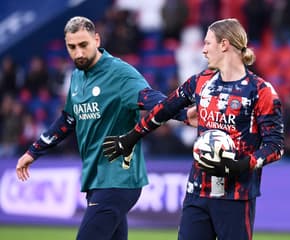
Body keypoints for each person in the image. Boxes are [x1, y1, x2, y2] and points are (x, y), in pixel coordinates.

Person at [103, 18, 284, 240]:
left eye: (208, 43)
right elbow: (164, 109)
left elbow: (275, 145)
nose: (204, 50)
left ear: (224, 44)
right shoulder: (200, 82)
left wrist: (241, 165)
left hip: (236, 196)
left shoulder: (261, 91)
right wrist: (131, 138)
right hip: (197, 193)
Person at [15, 16, 195, 240]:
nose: (78, 53)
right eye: (72, 47)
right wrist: (34, 151)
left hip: (118, 178)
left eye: (83, 45)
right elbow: (68, 120)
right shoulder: (78, 77)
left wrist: (183, 114)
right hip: (96, 178)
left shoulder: (119, 73)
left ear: (97, 39)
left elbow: (150, 99)